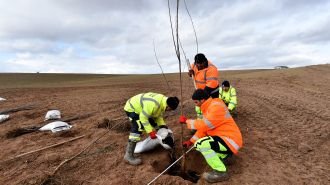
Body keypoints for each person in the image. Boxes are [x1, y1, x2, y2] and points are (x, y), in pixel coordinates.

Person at [178, 89, 243, 183]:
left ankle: (220, 172)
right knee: (200, 142)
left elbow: (204, 125)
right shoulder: (210, 107)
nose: (196, 105)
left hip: (230, 140)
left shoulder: (215, 107)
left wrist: (186, 121)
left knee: (200, 144)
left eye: (196, 102)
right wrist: (191, 141)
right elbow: (204, 130)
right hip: (226, 138)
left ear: (202, 100)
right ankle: (226, 157)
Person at [123, 92, 179, 165]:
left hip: (142, 108)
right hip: (132, 108)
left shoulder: (163, 101)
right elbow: (143, 118)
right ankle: (128, 156)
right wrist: (150, 132)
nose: (168, 111)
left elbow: (157, 116)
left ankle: (135, 146)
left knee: (154, 123)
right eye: (170, 110)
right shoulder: (154, 105)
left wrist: (162, 126)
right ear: (168, 106)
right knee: (138, 127)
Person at [188, 53, 219, 118]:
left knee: (212, 107)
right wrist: (190, 73)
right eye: (197, 64)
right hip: (201, 90)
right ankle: (203, 119)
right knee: (201, 106)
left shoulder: (212, 69)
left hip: (212, 91)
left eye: (201, 64)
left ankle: (213, 118)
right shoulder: (194, 65)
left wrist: (201, 96)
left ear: (205, 61)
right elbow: (191, 72)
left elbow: (210, 85)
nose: (199, 66)